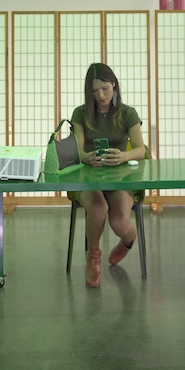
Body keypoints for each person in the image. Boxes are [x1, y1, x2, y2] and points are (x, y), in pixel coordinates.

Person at [71, 62, 146, 288]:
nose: (100, 95)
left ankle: (128, 241)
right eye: (94, 91)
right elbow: (77, 150)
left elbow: (141, 150)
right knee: (98, 208)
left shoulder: (127, 113)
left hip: (119, 178)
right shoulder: (81, 113)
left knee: (120, 222)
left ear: (114, 84)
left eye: (105, 88)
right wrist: (86, 157)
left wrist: (123, 156)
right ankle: (93, 257)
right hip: (88, 179)